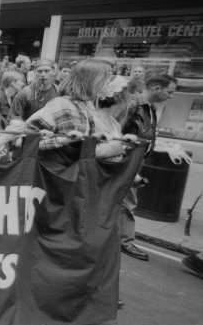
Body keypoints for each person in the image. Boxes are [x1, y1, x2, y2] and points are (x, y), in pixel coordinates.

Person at [118, 73, 178, 262]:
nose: (171, 96)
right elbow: (115, 130)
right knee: (128, 203)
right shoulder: (133, 104)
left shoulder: (149, 107)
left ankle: (115, 238)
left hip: (134, 161)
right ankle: (125, 241)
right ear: (156, 88)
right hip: (125, 161)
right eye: (169, 92)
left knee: (123, 202)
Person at [24, 59, 126, 160]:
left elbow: (83, 141)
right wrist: (66, 140)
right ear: (91, 80)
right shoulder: (62, 104)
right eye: (104, 78)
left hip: (73, 172)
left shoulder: (87, 105)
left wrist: (95, 138)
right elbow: (25, 137)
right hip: (55, 173)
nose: (108, 83)